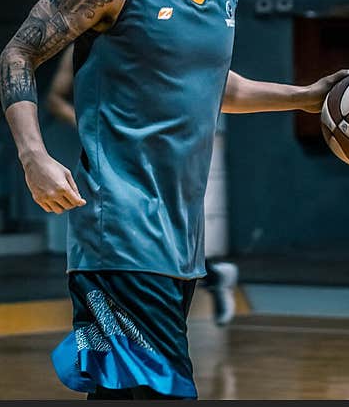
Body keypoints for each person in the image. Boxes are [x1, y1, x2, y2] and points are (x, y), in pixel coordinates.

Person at [0, 0, 349, 400]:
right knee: (164, 399)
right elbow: (17, 55)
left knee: (123, 402)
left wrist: (306, 98)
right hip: (118, 235)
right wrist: (34, 156)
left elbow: (218, 87)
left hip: (178, 246)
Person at [47, 44, 239, 325]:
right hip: (115, 163)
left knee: (164, 235)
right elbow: (54, 98)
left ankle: (210, 275)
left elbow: (221, 86)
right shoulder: (83, 43)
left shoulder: (154, 36)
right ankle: (212, 276)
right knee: (128, 237)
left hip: (170, 153)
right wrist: (93, 123)